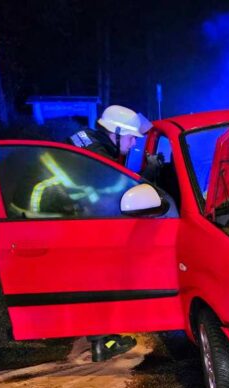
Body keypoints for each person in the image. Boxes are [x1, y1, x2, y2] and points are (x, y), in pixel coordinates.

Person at [67, 105, 152, 362]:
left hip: (63, 218)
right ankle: (103, 343)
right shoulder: (99, 159)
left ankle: (98, 338)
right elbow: (112, 195)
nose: (134, 142)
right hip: (80, 224)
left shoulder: (87, 140)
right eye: (130, 137)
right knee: (100, 277)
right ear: (114, 132)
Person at [68, 105, 152, 166]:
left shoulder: (85, 133)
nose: (134, 143)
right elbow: (119, 188)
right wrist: (150, 170)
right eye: (131, 138)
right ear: (116, 134)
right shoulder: (102, 160)